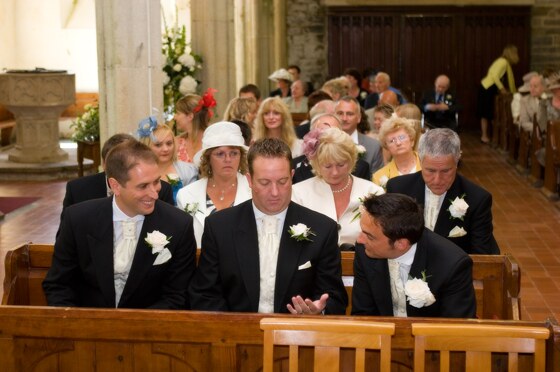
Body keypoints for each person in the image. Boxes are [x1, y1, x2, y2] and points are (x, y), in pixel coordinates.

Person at [189, 138, 348, 314]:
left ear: (292, 177)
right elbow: (205, 294)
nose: (275, 192)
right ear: (249, 180)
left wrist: (318, 311)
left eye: (282, 182)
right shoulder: (219, 227)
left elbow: (335, 298)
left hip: (297, 334)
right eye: (264, 183)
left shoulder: (322, 229)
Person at [43, 141, 197, 309]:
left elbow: (177, 295)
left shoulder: (178, 224)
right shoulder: (79, 219)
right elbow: (59, 285)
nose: (154, 193)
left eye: (156, 182)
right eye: (143, 186)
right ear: (115, 185)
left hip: (149, 328)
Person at [351, 193, 476, 318]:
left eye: (369, 236)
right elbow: (362, 313)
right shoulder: (365, 251)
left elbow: (456, 327)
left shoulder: (452, 264)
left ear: (401, 244)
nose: (359, 240)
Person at [386, 128, 500, 255]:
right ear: (420, 159)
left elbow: (481, 257)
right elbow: (389, 240)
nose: (437, 180)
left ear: (457, 161)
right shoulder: (398, 188)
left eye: (446, 171)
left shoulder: (477, 199)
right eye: (430, 170)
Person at [292, 127, 384, 249]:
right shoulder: (298, 193)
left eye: (341, 164)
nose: (335, 172)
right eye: (328, 166)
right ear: (316, 163)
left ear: (351, 160)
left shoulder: (373, 192)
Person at [176, 122, 252, 247]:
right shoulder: (186, 195)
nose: (228, 159)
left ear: (241, 156)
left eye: (233, 153)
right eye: (220, 154)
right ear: (207, 158)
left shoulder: (254, 190)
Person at [61, 134, 174, 215]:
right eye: (120, 165)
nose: (153, 194)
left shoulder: (163, 190)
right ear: (104, 164)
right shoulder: (77, 190)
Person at [292, 113, 371, 184]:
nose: (327, 138)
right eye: (322, 133)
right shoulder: (295, 166)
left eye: (333, 133)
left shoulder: (360, 167)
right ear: (311, 136)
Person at [138, 120, 198, 204]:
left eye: (169, 144)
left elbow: (195, 203)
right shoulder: (138, 172)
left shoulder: (189, 170)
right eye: (158, 145)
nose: (165, 149)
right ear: (146, 146)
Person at [477, 44, 519, 144]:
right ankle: (484, 136)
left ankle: (486, 135)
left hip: (487, 87)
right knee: (485, 113)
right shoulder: (503, 62)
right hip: (487, 88)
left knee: (487, 113)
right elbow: (495, 76)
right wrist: (502, 89)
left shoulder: (502, 61)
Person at [335, 96, 384, 175]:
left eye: (350, 114)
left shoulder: (373, 146)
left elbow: (376, 179)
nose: (344, 118)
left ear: (359, 118)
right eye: (340, 113)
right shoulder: (325, 143)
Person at [372, 116, 421, 189]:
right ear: (387, 147)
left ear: (412, 141)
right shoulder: (379, 176)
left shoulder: (427, 165)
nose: (398, 143)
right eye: (392, 141)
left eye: (401, 137)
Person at [174, 89, 215, 162]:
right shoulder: (175, 143)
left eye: (178, 113)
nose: (175, 117)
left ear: (190, 116)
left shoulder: (214, 143)